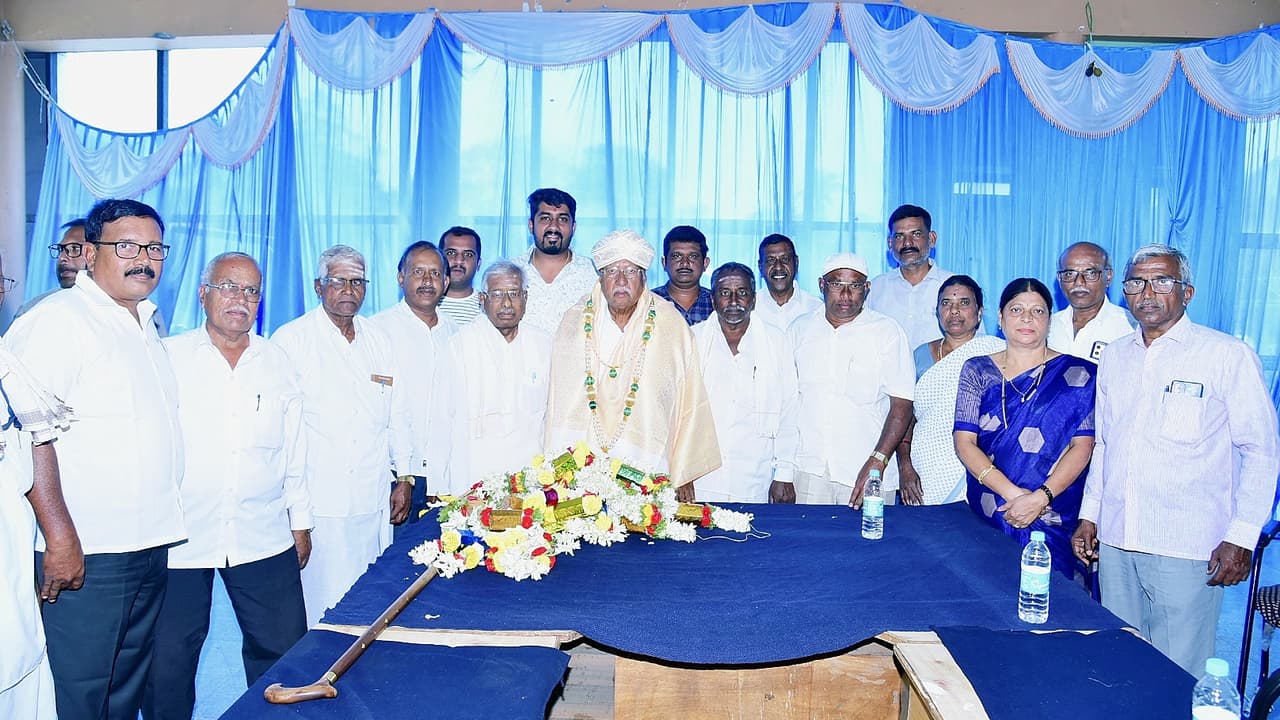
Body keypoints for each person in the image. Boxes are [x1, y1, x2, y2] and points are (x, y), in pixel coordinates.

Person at [7, 198, 186, 719]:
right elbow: (29, 436)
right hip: (88, 551)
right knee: (79, 690)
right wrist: (60, 537)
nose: (143, 260)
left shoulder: (145, 323)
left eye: (154, 248)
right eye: (126, 246)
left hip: (148, 543)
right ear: (89, 253)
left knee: (124, 686)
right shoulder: (58, 321)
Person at [1073, 244, 1279, 674]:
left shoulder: (1226, 355)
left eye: (1162, 281)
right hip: (1117, 538)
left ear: (1187, 292)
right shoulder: (1115, 356)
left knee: (1177, 671)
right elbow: (1106, 444)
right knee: (1120, 664)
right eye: (1136, 282)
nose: (1147, 293)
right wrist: (1090, 515)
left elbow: (1261, 450)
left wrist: (1242, 536)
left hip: (1186, 545)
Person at [144, 252, 311, 720]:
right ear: (204, 294)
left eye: (251, 290)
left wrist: (300, 520)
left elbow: (294, 449)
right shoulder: (168, 357)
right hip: (180, 534)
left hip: (263, 531)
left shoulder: (277, 361)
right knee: (169, 659)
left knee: (283, 651)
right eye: (229, 287)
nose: (241, 298)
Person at [271, 245, 413, 626]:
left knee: (368, 605)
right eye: (338, 281)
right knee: (319, 608)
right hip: (319, 503)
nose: (349, 290)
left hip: (371, 497)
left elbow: (397, 415)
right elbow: (281, 436)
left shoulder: (379, 340)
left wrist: (404, 476)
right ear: (319, 286)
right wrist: (293, 512)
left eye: (357, 282)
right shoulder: (291, 341)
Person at [544, 229, 720, 500]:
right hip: (583, 462)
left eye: (630, 271)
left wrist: (683, 471)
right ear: (600, 278)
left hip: (648, 462)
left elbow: (690, 401)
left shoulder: (670, 324)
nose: (621, 281)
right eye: (612, 271)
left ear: (644, 278)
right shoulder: (574, 323)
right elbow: (559, 402)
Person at [952, 278, 1096, 576]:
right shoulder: (977, 370)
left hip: (1053, 511)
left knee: (1051, 595)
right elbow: (964, 442)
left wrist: (1040, 498)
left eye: (1037, 311)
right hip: (992, 507)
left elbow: (1082, 447)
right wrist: (1015, 496)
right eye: (1016, 309)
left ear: (1049, 320)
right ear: (1000, 318)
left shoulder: (1081, 374)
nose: (1027, 318)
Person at [0, 252, 79, 720]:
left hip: (10, 553)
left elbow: (36, 439)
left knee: (20, 663)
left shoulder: (6, 361)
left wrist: (59, 534)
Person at [791, 252, 914, 507]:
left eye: (855, 285)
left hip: (868, 470)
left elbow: (902, 405)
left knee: (870, 535)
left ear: (866, 288)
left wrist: (878, 459)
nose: (846, 295)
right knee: (807, 534)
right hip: (809, 468)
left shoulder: (887, 332)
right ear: (822, 285)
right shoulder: (799, 330)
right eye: (837, 284)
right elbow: (787, 400)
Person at [692, 262, 799, 503]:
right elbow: (678, 414)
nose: (733, 301)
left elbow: (789, 411)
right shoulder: (693, 340)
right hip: (701, 478)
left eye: (742, 292)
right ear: (713, 299)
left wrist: (784, 473)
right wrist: (681, 474)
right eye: (725, 293)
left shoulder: (776, 342)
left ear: (753, 299)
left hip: (755, 477)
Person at [896, 276, 1004, 505]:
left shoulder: (997, 353)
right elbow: (906, 417)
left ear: (980, 312)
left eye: (964, 302)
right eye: (946, 303)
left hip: (984, 465)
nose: (954, 311)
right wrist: (905, 466)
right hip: (925, 466)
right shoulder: (919, 355)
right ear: (937, 312)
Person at [370, 241, 458, 522]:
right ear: (401, 277)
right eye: (418, 272)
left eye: (435, 273)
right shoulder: (377, 332)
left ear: (446, 282)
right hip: (393, 476)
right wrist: (402, 476)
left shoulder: (457, 335)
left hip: (445, 478)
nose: (427, 281)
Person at [446, 262, 552, 488]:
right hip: (474, 468)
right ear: (482, 300)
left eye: (514, 293)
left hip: (530, 471)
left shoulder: (544, 344)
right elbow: (445, 418)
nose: (506, 303)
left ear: (525, 298)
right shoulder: (460, 344)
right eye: (497, 294)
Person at [867, 204, 970, 349]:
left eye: (916, 234)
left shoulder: (957, 287)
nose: (907, 243)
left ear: (932, 239)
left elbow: (978, 344)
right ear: (890, 243)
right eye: (899, 236)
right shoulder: (875, 289)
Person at [510, 188, 599, 335]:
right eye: (545, 218)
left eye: (562, 219)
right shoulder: (509, 273)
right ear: (531, 225)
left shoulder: (595, 274)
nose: (553, 226)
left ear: (573, 227)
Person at [1047, 241, 1133, 363]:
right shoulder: (1047, 326)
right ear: (1059, 278)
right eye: (1069, 274)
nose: (1079, 282)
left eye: (1090, 273)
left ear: (1108, 276)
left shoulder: (1131, 328)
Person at [15, 219, 86, 317]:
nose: (62, 257)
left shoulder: (106, 309)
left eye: (74, 248)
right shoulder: (32, 311)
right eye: (61, 250)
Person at [752, 233, 822, 332]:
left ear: (796, 263)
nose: (778, 267)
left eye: (785, 259)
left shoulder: (816, 308)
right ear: (760, 267)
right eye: (771, 260)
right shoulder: (750, 308)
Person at [652, 225, 714, 325]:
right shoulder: (647, 302)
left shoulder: (717, 303)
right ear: (664, 263)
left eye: (693, 256)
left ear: (705, 263)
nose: (685, 263)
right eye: (677, 256)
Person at [437, 226, 485, 326]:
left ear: (478, 264)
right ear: (438, 260)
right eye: (451, 253)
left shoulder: (487, 307)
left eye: (468, 254)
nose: (459, 260)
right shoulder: (424, 304)